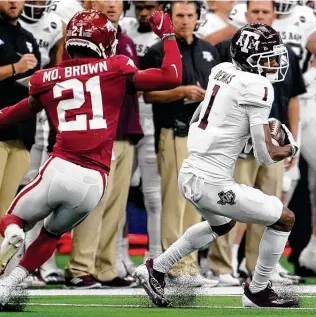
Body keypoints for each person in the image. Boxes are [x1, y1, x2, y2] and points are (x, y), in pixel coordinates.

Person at [0, 9, 181, 305]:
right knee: (51, 234)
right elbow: (172, 76)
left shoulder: (47, 77)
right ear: (105, 41)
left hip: (60, 166)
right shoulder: (117, 66)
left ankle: (12, 237)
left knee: (13, 218)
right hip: (94, 182)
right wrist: (169, 37)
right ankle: (8, 287)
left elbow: (19, 111)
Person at [134, 23, 299, 308]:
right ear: (250, 58)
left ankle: (156, 269)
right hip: (213, 182)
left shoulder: (221, 69)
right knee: (285, 218)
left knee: (221, 224)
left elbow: (208, 118)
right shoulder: (257, 86)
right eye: (267, 58)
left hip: (191, 170)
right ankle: (258, 290)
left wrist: (245, 139)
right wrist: (289, 148)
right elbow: (264, 156)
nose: (273, 64)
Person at [208, 0, 305, 284]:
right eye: (256, 12)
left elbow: (294, 98)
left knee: (271, 206)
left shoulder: (285, 52)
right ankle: (222, 264)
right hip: (240, 141)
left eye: (266, 12)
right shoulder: (228, 50)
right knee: (230, 204)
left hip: (272, 139)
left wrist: (291, 139)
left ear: (275, 16)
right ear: (246, 14)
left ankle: (260, 266)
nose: (261, 16)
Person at [65, 0, 143, 289]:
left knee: (115, 206)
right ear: (91, 3)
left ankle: (105, 266)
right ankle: (79, 268)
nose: (112, 4)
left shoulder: (126, 40)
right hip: (96, 132)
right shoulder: (80, 37)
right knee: (93, 202)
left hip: (124, 130)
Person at [142, 0, 220, 288]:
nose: (185, 20)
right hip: (173, 131)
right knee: (174, 202)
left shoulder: (208, 51)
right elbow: (147, 95)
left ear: (198, 17)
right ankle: (172, 267)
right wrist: (179, 92)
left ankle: (189, 267)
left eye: (190, 15)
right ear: (170, 19)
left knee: (194, 202)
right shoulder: (157, 51)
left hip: (202, 135)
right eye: (179, 16)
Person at [16, 0, 65, 287]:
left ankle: (37, 264)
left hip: (46, 108)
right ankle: (16, 262)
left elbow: (59, 64)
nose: (33, 4)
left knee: (41, 185)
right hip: (22, 106)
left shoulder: (57, 23)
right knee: (24, 185)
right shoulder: (10, 24)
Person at [120, 0, 164, 264]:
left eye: (150, 7)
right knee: (117, 191)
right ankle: (118, 255)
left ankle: (156, 256)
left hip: (153, 119)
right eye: (139, 7)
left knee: (154, 196)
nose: (144, 13)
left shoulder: (168, 35)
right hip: (125, 118)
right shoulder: (124, 29)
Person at [0, 0, 41, 221]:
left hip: (22, 134)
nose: (13, 2)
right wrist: (16, 68)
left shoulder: (29, 39)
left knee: (6, 208)